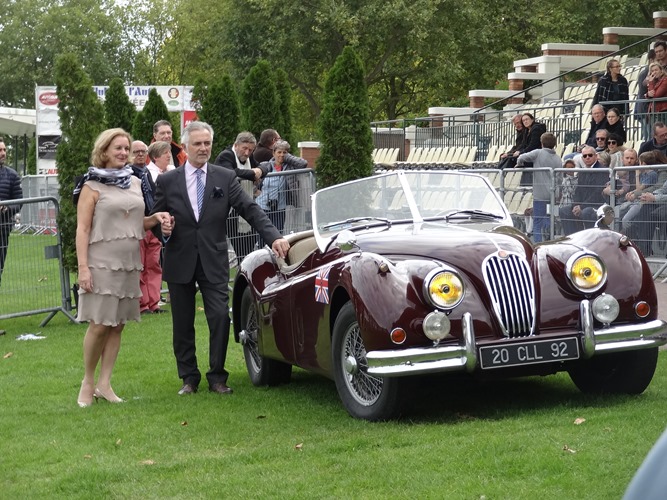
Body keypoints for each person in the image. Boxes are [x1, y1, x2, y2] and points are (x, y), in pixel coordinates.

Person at [151, 121, 290, 396]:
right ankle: (188, 378)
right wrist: (162, 228)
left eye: (207, 144)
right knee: (182, 323)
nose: (203, 149)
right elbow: (157, 218)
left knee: (218, 318)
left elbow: (250, 209)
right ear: (186, 146)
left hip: (213, 260)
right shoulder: (167, 181)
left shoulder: (224, 177)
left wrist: (273, 237)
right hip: (180, 260)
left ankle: (217, 376)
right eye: (198, 144)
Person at [74, 128, 172, 407]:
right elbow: (82, 230)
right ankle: (88, 382)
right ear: (103, 151)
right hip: (100, 262)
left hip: (129, 263)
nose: (122, 152)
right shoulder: (90, 185)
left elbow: (135, 222)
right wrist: (83, 269)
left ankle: (105, 384)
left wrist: (156, 218)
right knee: (99, 325)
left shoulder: (134, 182)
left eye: (125, 148)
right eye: (117, 148)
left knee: (117, 326)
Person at [214, 132, 270, 260]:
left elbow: (265, 166)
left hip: (245, 207)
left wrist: (259, 171)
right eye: (244, 148)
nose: (247, 153)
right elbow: (232, 173)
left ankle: (244, 272)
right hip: (227, 210)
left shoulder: (248, 158)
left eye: (250, 150)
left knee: (247, 248)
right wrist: (253, 173)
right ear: (236, 145)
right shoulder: (226, 156)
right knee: (232, 248)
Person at [256, 140, 308, 245]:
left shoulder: (289, 167)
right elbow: (253, 180)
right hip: (263, 206)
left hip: (280, 207)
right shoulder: (265, 165)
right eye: (279, 152)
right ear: (273, 153)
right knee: (262, 235)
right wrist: (255, 191)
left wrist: (287, 157)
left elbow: (303, 163)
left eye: (284, 152)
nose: (281, 155)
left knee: (277, 235)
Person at [516, 132, 561, 242]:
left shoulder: (538, 153)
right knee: (549, 218)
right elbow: (560, 178)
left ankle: (538, 243)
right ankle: (550, 239)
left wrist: (519, 164)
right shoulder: (558, 158)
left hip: (540, 194)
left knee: (537, 221)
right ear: (554, 144)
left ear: (541, 143)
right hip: (553, 194)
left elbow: (522, 157)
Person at [623, 150, 667, 255]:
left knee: (630, 216)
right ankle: (644, 249)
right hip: (657, 201)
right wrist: (652, 195)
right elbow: (662, 189)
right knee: (645, 209)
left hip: (661, 203)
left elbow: (649, 187)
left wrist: (654, 197)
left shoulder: (658, 173)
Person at [559, 146, 609, 235]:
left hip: (597, 205)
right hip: (583, 204)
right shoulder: (582, 171)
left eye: (590, 155)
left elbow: (598, 193)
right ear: (582, 158)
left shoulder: (602, 170)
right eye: (585, 156)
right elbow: (578, 190)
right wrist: (576, 205)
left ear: (596, 156)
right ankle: (572, 238)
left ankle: (590, 239)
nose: (587, 158)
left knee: (587, 212)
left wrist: (581, 206)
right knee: (564, 210)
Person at [0, 138, 23, 287]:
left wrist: (7, 208)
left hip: (2, 229)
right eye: (0, 150)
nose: (3, 153)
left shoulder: (12, 175)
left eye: (4, 150)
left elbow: (19, 201)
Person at [635, 49, 655, 139]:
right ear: (651, 60)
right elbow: (643, 92)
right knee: (648, 137)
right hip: (644, 109)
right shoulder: (645, 74)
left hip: (645, 110)